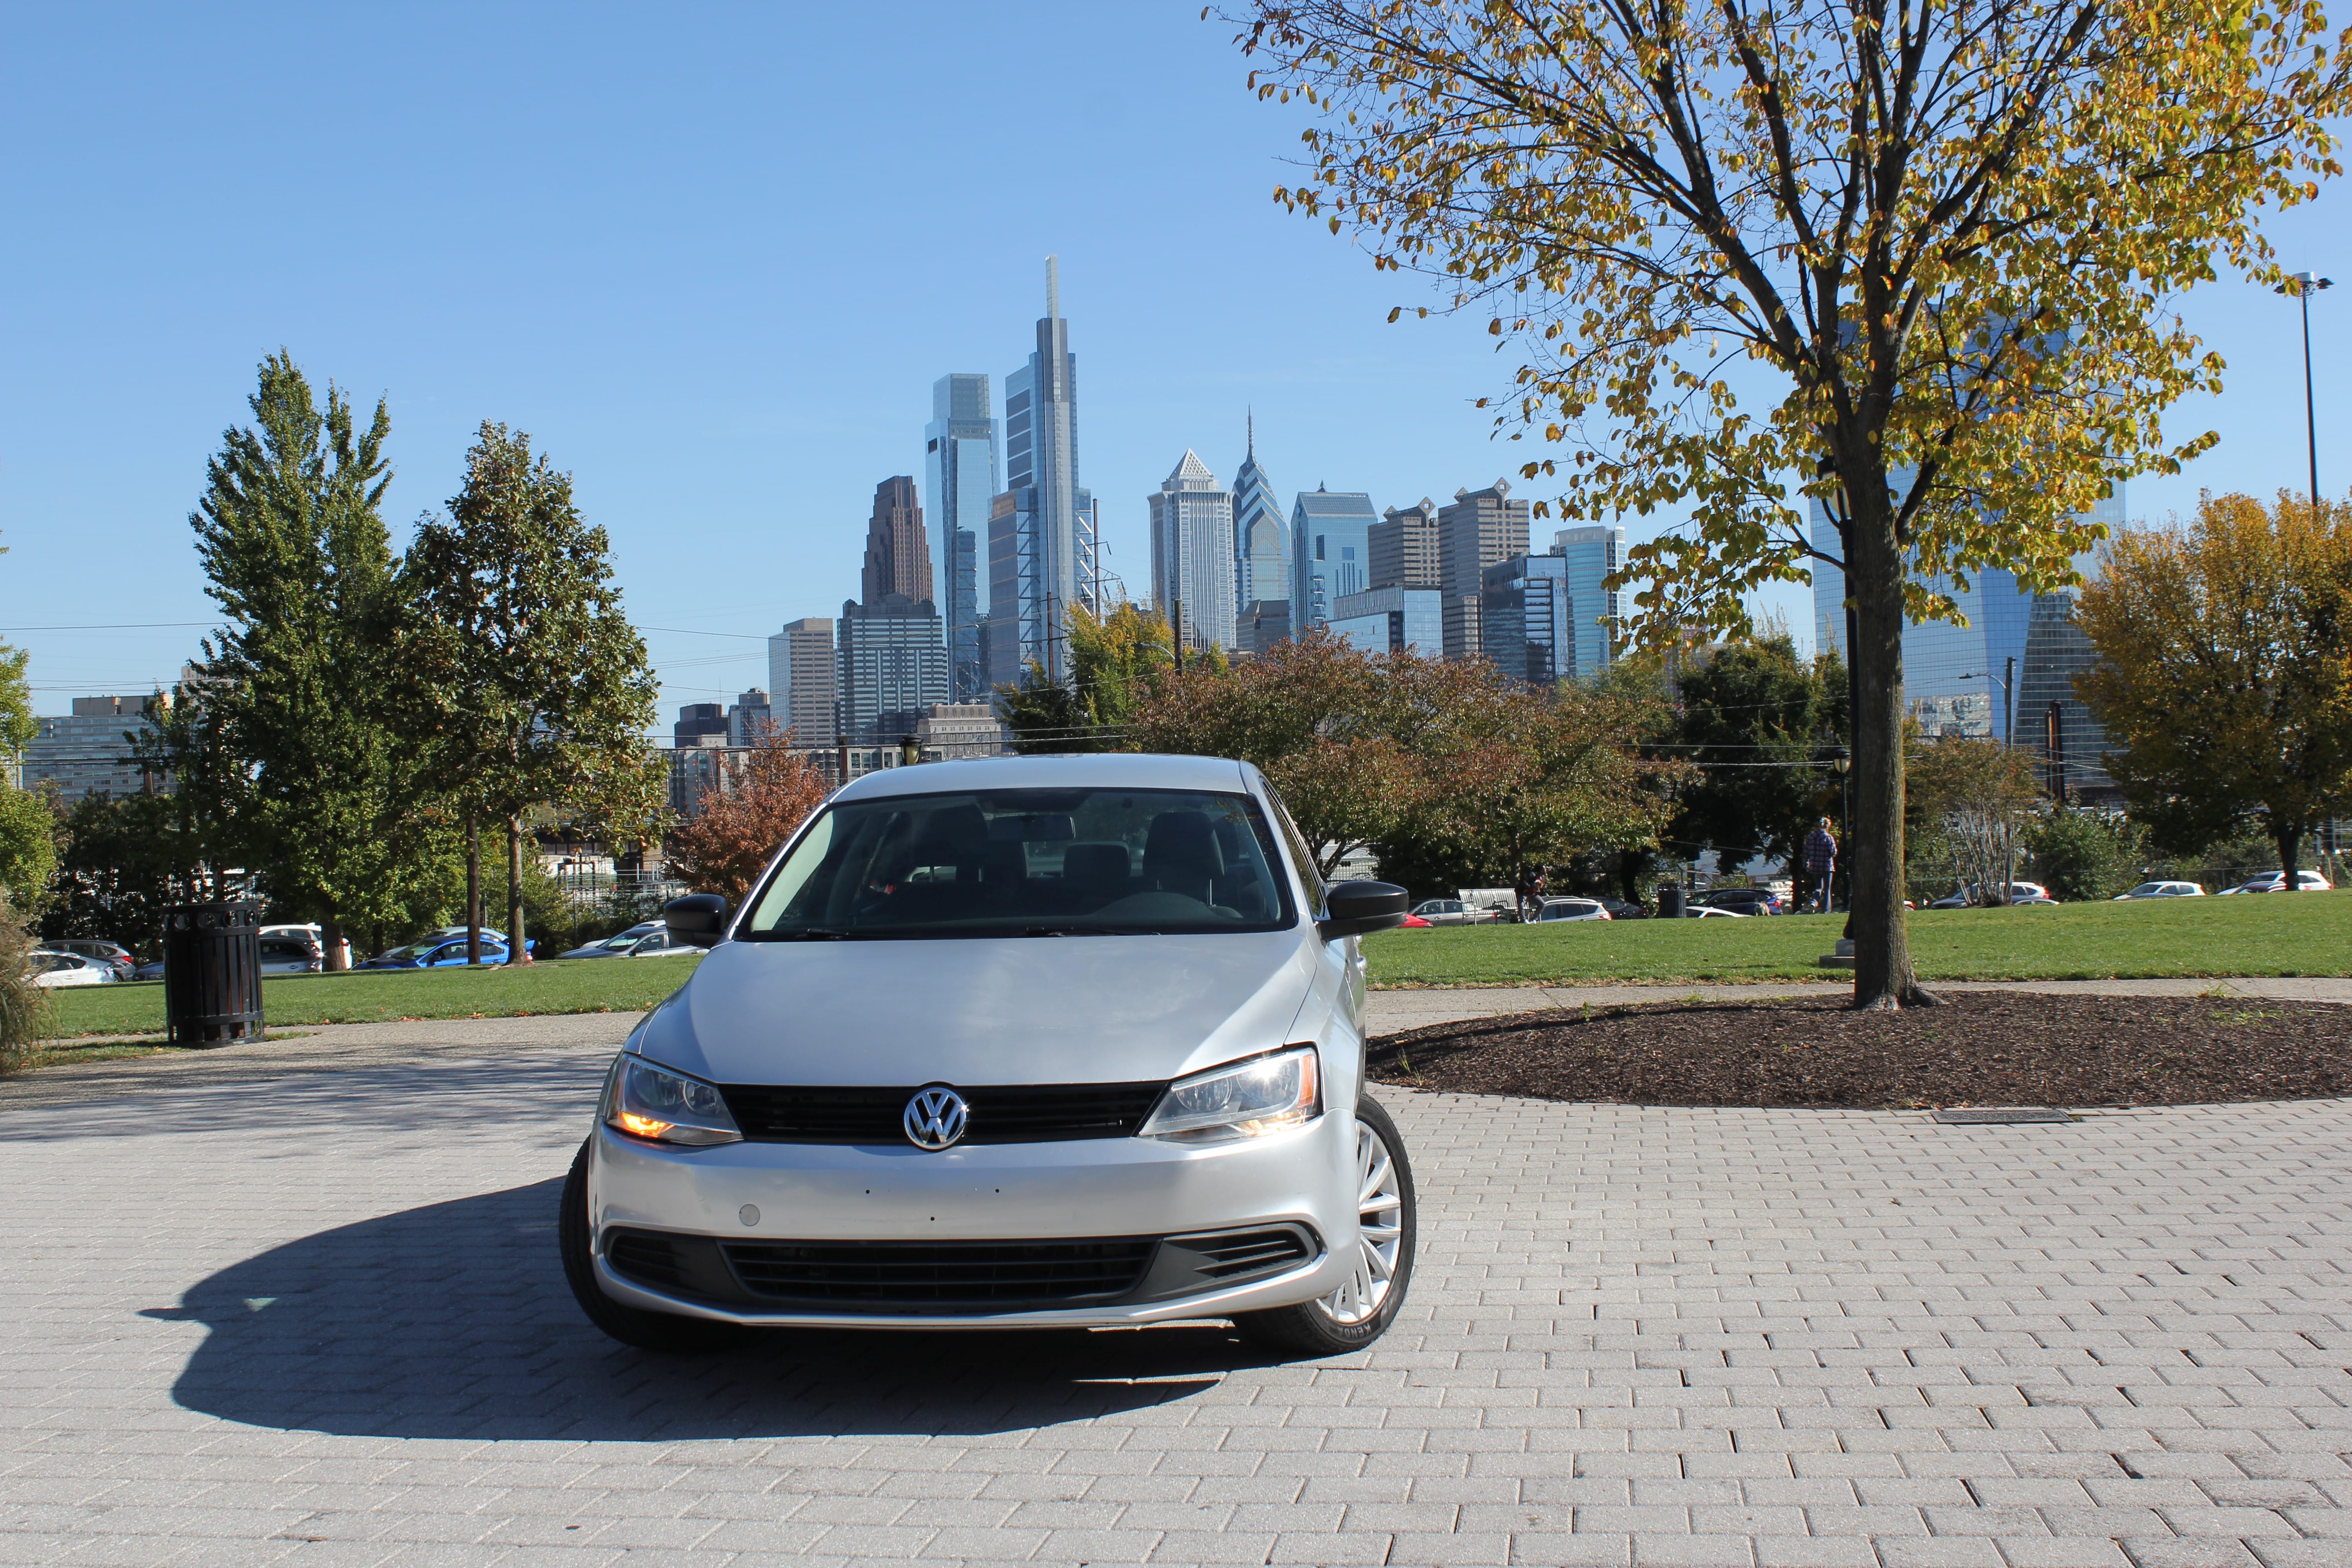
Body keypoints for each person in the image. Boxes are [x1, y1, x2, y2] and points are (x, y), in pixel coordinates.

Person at [1803, 818, 1838, 912]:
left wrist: (1806, 862)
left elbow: (1806, 851)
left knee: (1818, 887)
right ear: (1827, 826)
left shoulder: (1811, 837)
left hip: (1814, 865)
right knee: (1827, 889)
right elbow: (1833, 852)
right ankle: (1826, 910)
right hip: (1827, 866)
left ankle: (1813, 903)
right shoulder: (1828, 837)